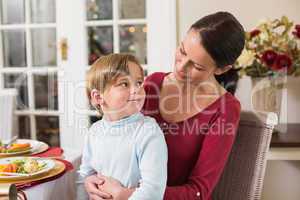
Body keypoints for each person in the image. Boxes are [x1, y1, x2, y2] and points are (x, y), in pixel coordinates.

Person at [84, 11, 245, 200]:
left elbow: (198, 192)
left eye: (197, 66)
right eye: (182, 51)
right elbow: (115, 143)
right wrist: (92, 180)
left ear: (222, 69)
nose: (180, 67)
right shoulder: (151, 85)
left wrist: (128, 195)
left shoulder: (225, 109)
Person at [77, 54, 168, 200]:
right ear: (98, 97)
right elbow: (86, 175)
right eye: (124, 84)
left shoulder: (148, 131)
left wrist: (120, 195)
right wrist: (88, 183)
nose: (136, 89)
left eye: (139, 83)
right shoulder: (94, 131)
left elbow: (153, 192)